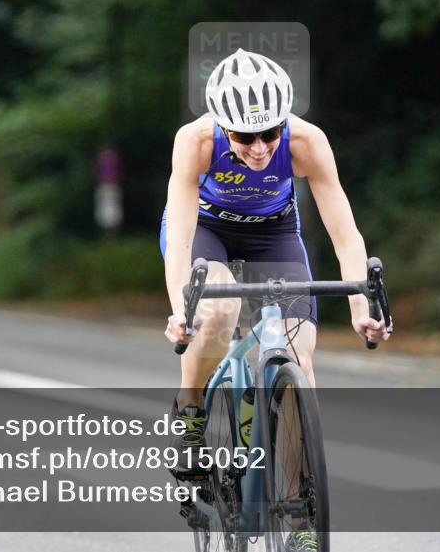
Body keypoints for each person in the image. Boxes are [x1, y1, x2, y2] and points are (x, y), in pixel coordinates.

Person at [160, 48, 390, 480]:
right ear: (222, 127)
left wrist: (362, 309)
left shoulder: (306, 142)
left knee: (299, 362)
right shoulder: (195, 142)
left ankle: (300, 513)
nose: (261, 148)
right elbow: (180, 240)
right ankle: (190, 409)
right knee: (220, 310)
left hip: (273, 233)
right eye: (245, 138)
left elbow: (345, 233)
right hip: (206, 230)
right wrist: (181, 310)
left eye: (270, 133)